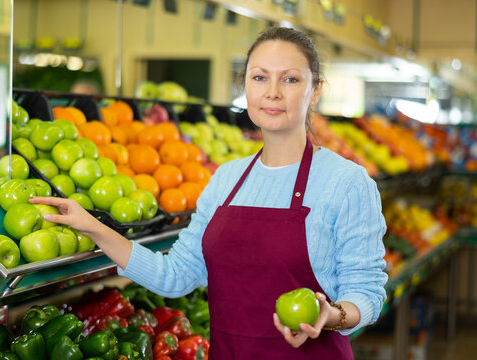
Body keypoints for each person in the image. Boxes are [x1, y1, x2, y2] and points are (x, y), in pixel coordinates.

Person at [31, 26, 387, 358]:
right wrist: (92, 225)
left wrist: (332, 315)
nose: (273, 92)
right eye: (260, 77)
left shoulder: (346, 182)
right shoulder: (226, 180)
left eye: (291, 79)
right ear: (245, 86)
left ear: (316, 91)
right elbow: (175, 276)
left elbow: (368, 294)